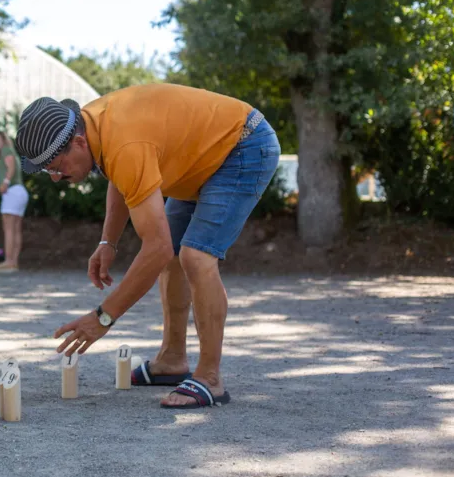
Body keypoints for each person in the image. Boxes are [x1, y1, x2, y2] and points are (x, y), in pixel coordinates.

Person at [14, 84, 280, 409]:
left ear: (78, 142)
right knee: (174, 257)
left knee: (195, 256)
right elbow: (118, 175)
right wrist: (108, 241)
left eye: (55, 166)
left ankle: (210, 378)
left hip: (242, 147)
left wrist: (102, 318)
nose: (55, 178)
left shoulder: (125, 141)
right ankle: (172, 360)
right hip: (200, 161)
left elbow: (156, 248)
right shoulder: (94, 123)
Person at [0, 130, 28, 273]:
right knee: (16, 229)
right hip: (20, 191)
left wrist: (5, 182)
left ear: (4, 140)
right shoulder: (11, 151)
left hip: (12, 191)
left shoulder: (6, 151)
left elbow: (11, 166)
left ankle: (8, 261)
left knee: (9, 229)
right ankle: (14, 262)